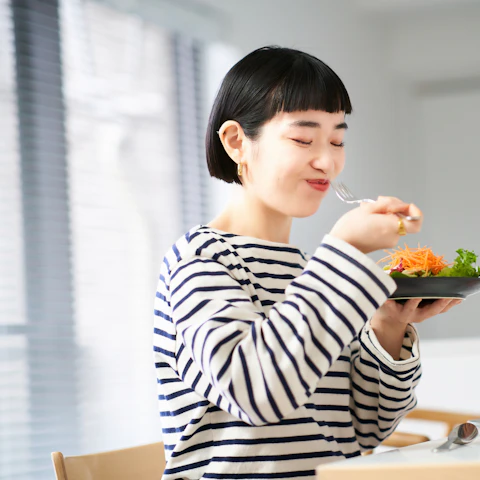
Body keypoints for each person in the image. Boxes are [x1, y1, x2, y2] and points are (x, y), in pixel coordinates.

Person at [153, 46, 460, 480]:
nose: (327, 161)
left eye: (337, 140)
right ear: (237, 141)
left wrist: (387, 328)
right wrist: (346, 248)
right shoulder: (201, 259)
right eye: (303, 139)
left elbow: (363, 429)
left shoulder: (311, 272)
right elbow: (257, 395)